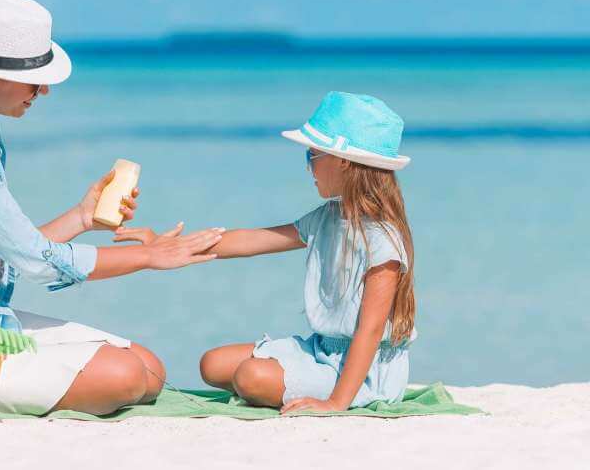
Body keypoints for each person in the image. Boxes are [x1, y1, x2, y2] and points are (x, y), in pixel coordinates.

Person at [0, 0, 222, 416]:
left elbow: (7, 251)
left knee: (147, 367)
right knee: (126, 376)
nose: (45, 90)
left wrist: (83, 216)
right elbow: (36, 261)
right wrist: (149, 256)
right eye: (37, 78)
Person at [116, 91, 416, 412]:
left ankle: (331, 390)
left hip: (367, 369)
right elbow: (250, 240)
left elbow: (370, 330)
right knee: (212, 364)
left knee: (250, 376)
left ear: (343, 163)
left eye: (312, 156)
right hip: (321, 350)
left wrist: (336, 403)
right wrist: (167, 246)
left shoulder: (383, 240)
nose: (308, 168)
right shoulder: (327, 218)